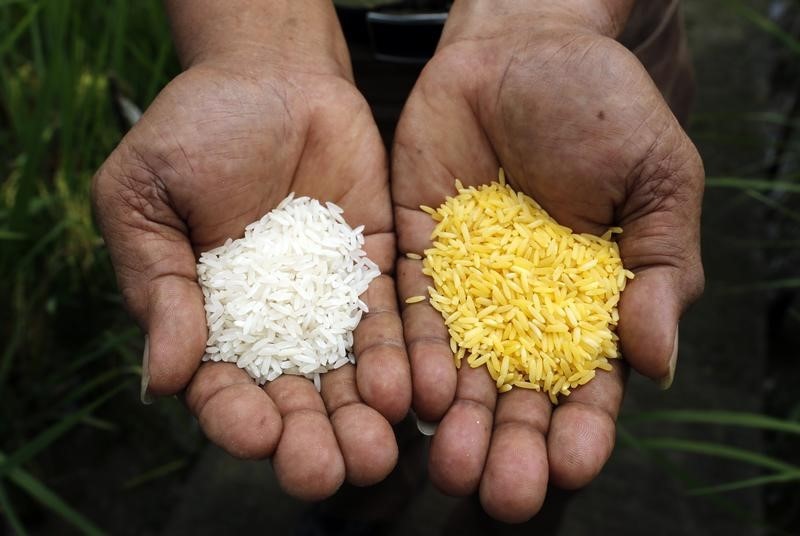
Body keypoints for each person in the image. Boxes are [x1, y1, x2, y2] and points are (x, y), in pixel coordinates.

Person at [92, 0, 704, 525]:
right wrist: (253, 41)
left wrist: (541, 17)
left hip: (574, 78)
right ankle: (362, 511)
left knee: (532, 454)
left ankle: (513, 523)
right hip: (303, 72)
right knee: (361, 422)